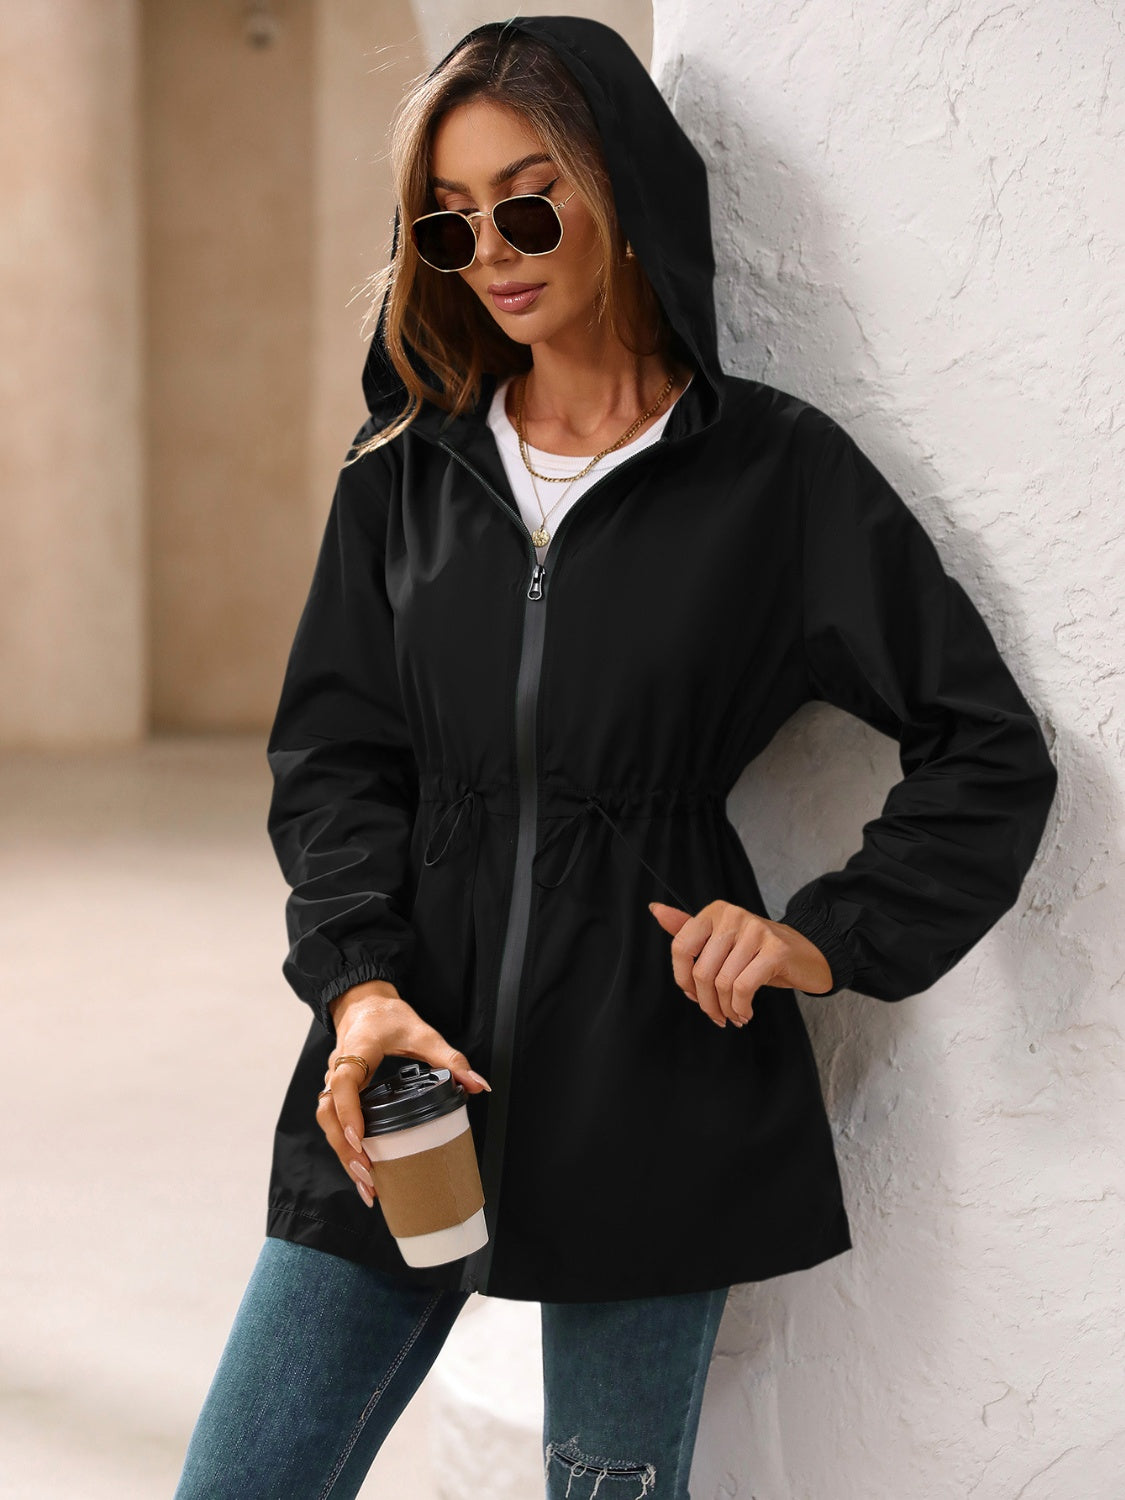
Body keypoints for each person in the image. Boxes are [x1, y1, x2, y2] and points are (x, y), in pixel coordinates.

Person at [172, 16, 1058, 1500]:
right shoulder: (405, 474)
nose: (492, 254)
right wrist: (358, 985)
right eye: (449, 224)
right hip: (406, 1064)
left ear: (623, 196)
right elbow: (335, 758)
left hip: (654, 1073)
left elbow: (986, 747)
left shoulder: (774, 478)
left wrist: (822, 938)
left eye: (528, 206)